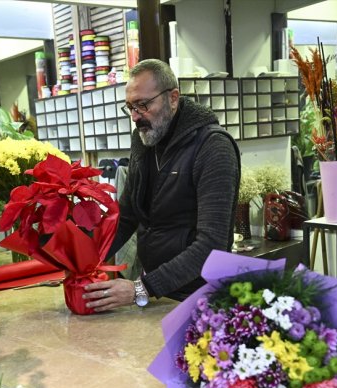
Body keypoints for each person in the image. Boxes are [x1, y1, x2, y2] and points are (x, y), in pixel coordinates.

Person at [83, 59, 241, 312]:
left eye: (143, 105)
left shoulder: (213, 147)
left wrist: (141, 289)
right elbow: (127, 215)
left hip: (200, 297)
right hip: (158, 293)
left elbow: (211, 244)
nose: (135, 117)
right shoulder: (144, 140)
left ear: (173, 98)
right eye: (130, 107)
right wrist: (84, 258)